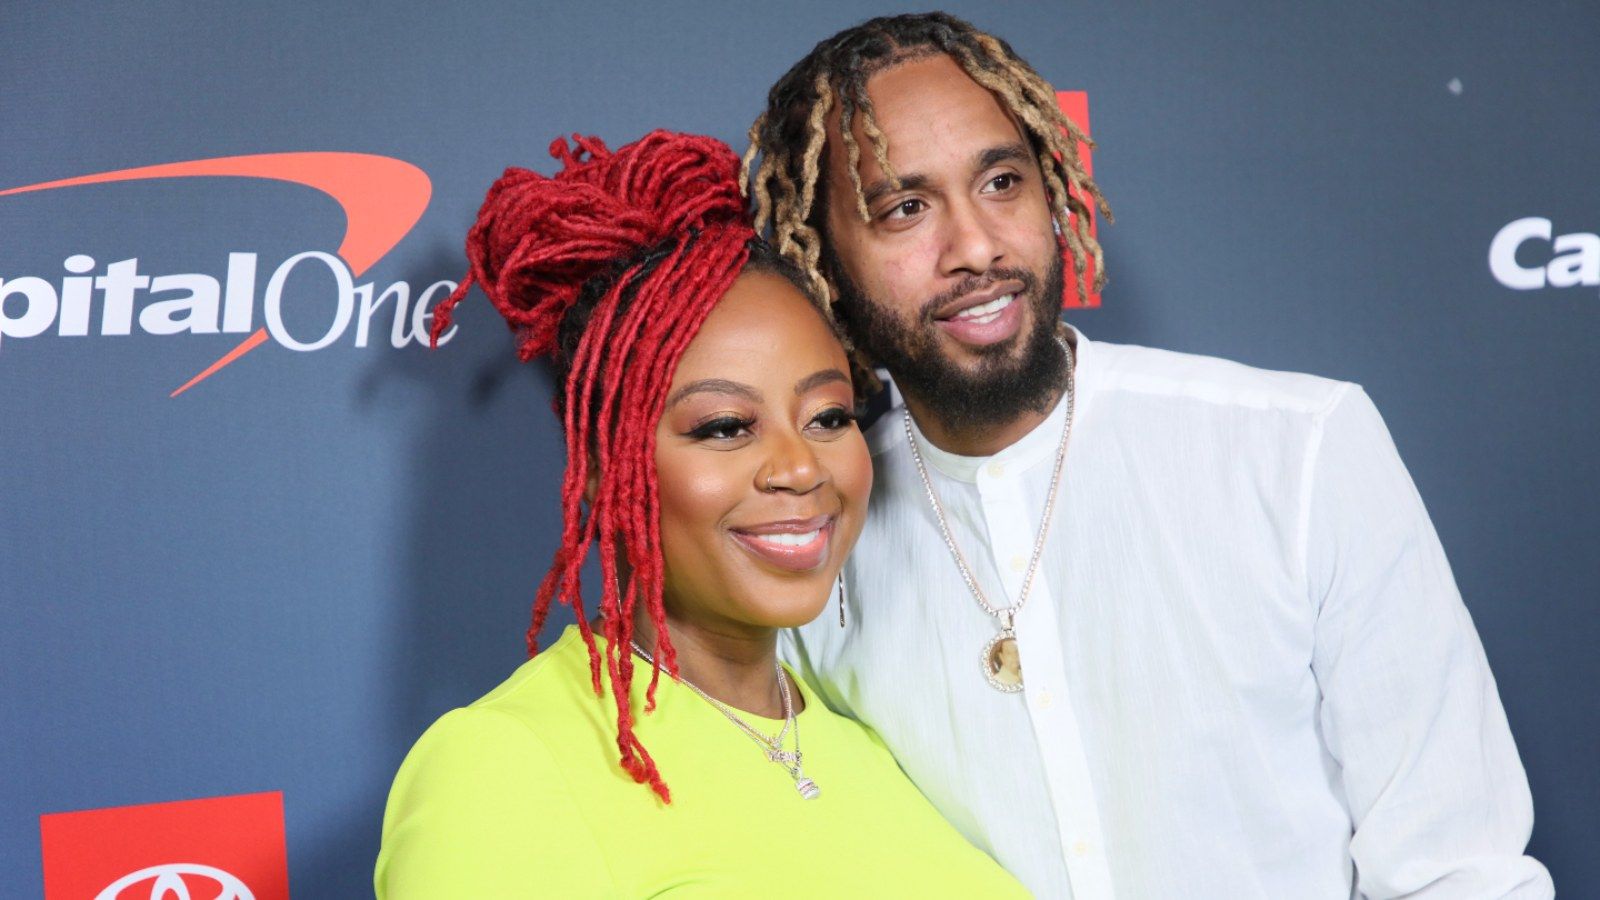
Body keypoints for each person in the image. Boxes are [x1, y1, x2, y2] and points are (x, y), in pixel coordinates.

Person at [745, 12, 1553, 899]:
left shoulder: (1297, 451)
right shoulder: (810, 538)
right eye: (906, 209)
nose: (975, 246)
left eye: (1002, 182)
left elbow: (1457, 870)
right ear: (821, 263)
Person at [373, 130, 1027, 898]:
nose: (799, 467)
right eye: (725, 427)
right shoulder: (502, 769)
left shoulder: (878, 749)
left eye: (828, 416)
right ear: (604, 466)